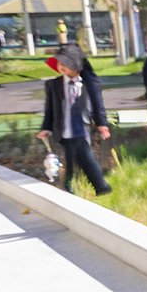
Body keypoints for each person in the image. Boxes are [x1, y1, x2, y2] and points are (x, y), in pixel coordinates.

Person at [37, 44, 112, 195]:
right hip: (64, 129)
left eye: (66, 64)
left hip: (81, 128)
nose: (62, 67)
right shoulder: (54, 84)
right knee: (72, 160)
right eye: (60, 64)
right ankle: (73, 187)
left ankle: (99, 186)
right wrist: (46, 128)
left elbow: (98, 105)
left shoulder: (89, 84)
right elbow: (49, 109)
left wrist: (102, 124)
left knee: (84, 157)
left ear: (77, 66)